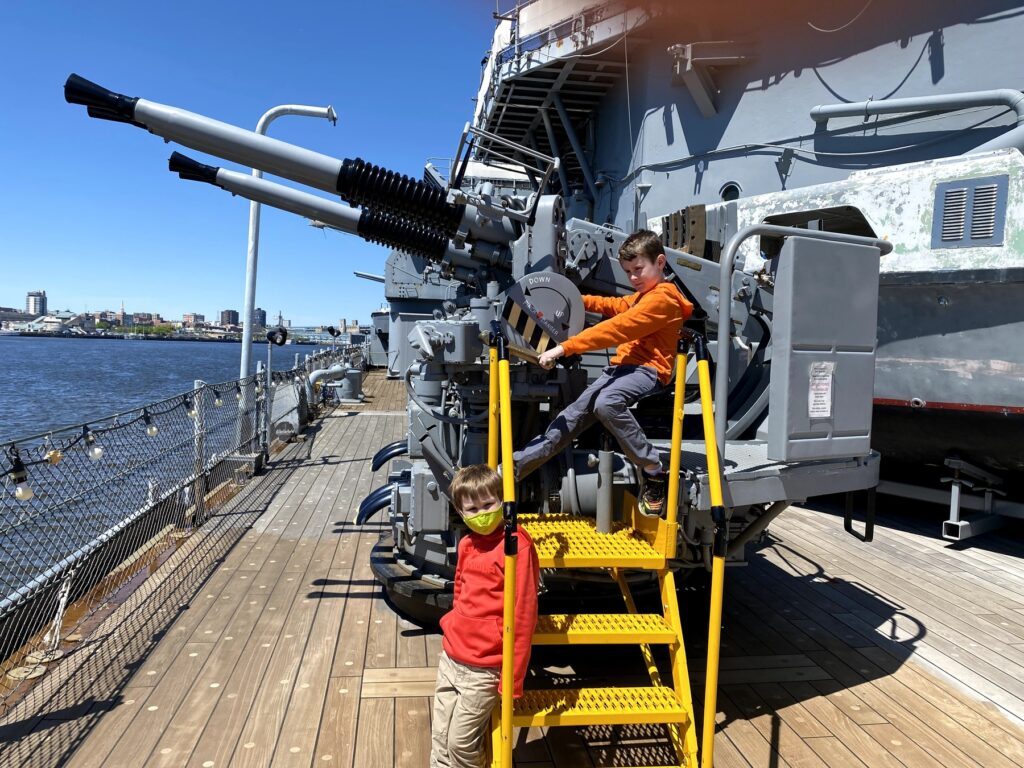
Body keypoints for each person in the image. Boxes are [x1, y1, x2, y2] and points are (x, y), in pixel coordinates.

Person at [513, 229, 693, 516]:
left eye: (638, 269)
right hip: (620, 370)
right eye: (627, 272)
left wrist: (564, 349)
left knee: (606, 403)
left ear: (660, 262)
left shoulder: (663, 299)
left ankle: (653, 469)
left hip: (647, 371)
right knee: (569, 419)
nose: (633, 277)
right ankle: (511, 471)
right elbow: (612, 306)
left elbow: (617, 328)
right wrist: (572, 297)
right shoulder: (641, 297)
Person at [430, 464, 540, 768]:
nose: (481, 514)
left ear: (502, 500)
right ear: (460, 511)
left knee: (460, 743)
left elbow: (524, 612)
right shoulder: (467, 544)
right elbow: (461, 590)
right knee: (440, 736)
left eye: (488, 505)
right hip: (452, 657)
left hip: (484, 668)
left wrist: (514, 675)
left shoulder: (516, 545)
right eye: (472, 508)